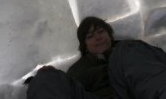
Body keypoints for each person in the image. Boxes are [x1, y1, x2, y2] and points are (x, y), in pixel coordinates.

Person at [26, 16, 166, 99]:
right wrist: (50, 76)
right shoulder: (79, 69)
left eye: (100, 31)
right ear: (85, 45)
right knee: (47, 77)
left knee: (128, 48)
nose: (98, 38)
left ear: (110, 35)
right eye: (90, 36)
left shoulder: (129, 50)